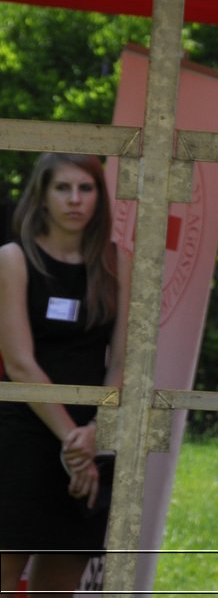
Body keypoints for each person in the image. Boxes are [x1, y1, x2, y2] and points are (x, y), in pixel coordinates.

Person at [0, 153, 130, 596]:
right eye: (63, 188)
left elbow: (123, 361)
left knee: (58, 585)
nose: (75, 199)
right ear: (42, 196)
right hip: (24, 433)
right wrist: (71, 440)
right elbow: (19, 363)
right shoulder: (13, 258)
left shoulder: (117, 262)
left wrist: (94, 433)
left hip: (92, 438)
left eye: (86, 188)